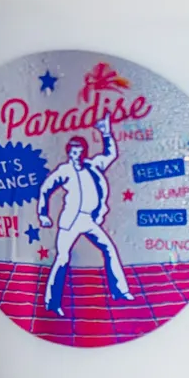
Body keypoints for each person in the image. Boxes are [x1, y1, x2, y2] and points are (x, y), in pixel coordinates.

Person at [36, 117, 133, 313]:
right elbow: (46, 188)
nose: (76, 156)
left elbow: (111, 154)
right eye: (73, 153)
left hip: (89, 219)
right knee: (63, 258)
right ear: (68, 153)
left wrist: (106, 133)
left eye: (79, 153)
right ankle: (52, 303)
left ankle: (120, 291)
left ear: (84, 153)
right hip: (71, 221)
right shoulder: (64, 171)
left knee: (108, 249)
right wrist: (43, 213)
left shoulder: (93, 167)